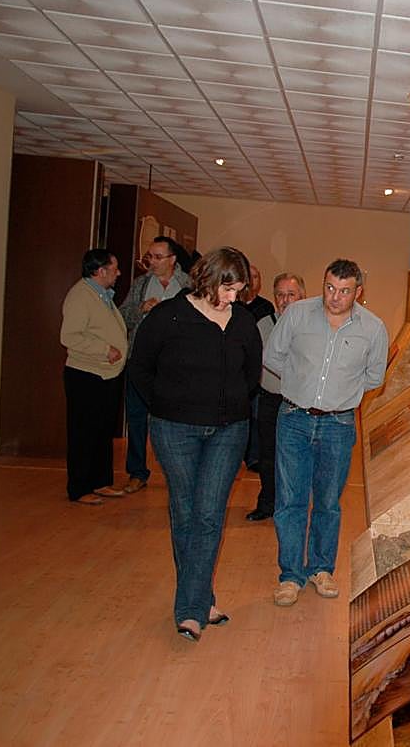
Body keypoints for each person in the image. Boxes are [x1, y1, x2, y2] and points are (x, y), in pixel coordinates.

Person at [129, 247, 263, 642]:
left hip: (228, 431)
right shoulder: (168, 316)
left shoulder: (243, 321)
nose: (233, 298)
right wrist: (164, 405)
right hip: (175, 431)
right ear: (208, 278)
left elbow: (250, 374)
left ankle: (189, 610)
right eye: (228, 289)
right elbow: (140, 367)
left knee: (209, 515)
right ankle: (201, 601)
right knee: (186, 513)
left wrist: (231, 404)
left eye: (238, 290)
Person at [264, 259, 387, 606]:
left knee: (328, 501)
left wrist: (341, 393)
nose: (335, 297)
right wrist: (299, 380)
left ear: (358, 292)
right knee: (290, 500)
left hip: (338, 424)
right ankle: (290, 575)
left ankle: (321, 568)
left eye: (344, 291)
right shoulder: (297, 314)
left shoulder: (373, 328)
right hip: (294, 418)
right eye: (330, 287)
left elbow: (374, 377)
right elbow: (272, 356)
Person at [119, 236, 190, 493]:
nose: (152, 262)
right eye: (150, 256)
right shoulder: (140, 284)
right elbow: (122, 317)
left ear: (172, 259)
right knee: (137, 418)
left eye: (158, 257)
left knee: (177, 420)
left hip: (175, 365)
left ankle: (180, 473)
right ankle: (137, 472)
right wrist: (141, 308)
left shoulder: (189, 285)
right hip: (141, 362)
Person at [59, 249, 127, 505]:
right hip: (86, 374)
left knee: (102, 431)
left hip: (106, 374)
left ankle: (100, 481)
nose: (118, 273)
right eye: (115, 268)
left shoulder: (102, 295)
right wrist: (104, 349)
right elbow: (70, 336)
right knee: (83, 432)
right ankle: (79, 487)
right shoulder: (80, 296)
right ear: (101, 271)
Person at [246, 272, 307, 522]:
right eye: (280, 295)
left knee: (296, 458)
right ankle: (267, 502)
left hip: (299, 404)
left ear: (302, 297)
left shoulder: (312, 328)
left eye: (291, 294)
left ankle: (292, 506)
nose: (285, 300)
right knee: (268, 455)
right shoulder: (263, 325)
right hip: (271, 399)